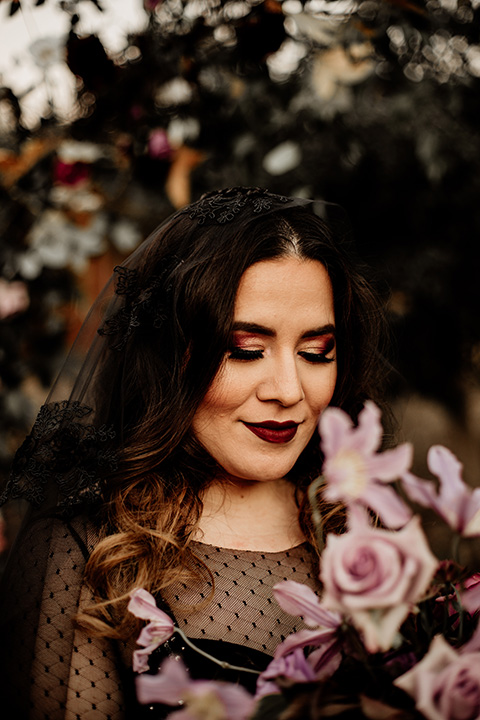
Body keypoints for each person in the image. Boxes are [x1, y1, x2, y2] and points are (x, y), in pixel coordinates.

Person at [0, 187, 390, 719]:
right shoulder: (87, 553)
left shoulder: (367, 530)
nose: (288, 389)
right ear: (172, 356)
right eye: (246, 351)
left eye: (315, 353)